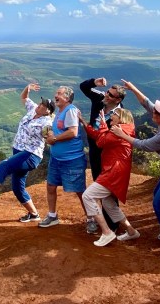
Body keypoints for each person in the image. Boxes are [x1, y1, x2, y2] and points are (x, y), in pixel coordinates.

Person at [111, 100, 160, 260]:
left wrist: (122, 134)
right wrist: (133, 89)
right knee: (158, 196)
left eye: (157, 112)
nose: (153, 112)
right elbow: (149, 106)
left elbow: (143, 145)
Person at [0, 83, 54, 222]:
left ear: (48, 111)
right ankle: (34, 214)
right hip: (19, 152)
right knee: (17, 187)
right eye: (41, 103)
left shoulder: (46, 122)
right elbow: (24, 97)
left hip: (31, 155)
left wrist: (51, 136)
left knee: (4, 165)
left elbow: (49, 134)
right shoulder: (33, 109)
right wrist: (28, 87)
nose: (40, 105)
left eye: (43, 106)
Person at [81, 108, 139, 246]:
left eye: (114, 114)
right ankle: (131, 231)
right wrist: (84, 123)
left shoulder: (119, 129)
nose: (111, 116)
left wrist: (102, 124)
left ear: (122, 118)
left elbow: (101, 142)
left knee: (88, 196)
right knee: (108, 203)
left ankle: (107, 232)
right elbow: (100, 136)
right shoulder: (124, 128)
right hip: (117, 170)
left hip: (114, 171)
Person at [79, 77, 126, 233]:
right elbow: (83, 87)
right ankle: (107, 221)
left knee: (109, 189)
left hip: (110, 156)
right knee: (99, 185)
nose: (106, 95)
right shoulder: (99, 99)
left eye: (111, 95)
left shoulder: (122, 114)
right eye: (107, 92)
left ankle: (112, 224)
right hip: (95, 152)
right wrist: (95, 82)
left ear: (118, 99)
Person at [38, 86, 89, 229]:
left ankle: (91, 219)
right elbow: (60, 131)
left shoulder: (70, 110)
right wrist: (49, 135)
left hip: (72, 160)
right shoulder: (61, 112)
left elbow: (73, 132)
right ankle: (52, 216)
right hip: (57, 159)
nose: (55, 95)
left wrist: (54, 139)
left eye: (59, 94)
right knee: (51, 186)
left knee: (79, 190)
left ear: (67, 98)